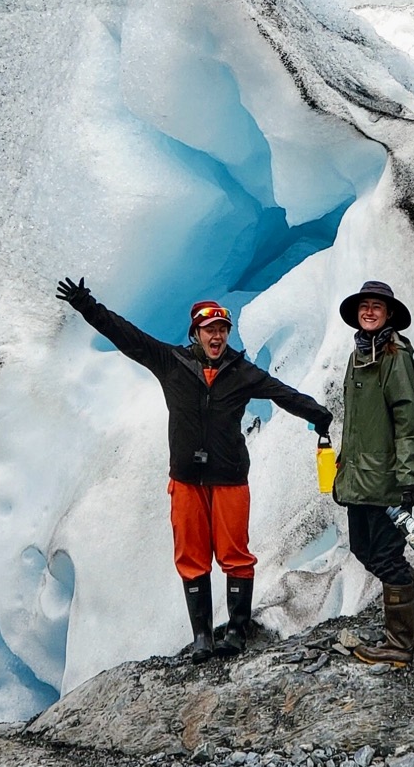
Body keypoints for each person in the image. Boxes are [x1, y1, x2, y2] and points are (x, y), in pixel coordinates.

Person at [57, 277, 332, 661]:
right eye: (209, 330)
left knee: (236, 554)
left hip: (229, 479)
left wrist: (320, 416)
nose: (216, 336)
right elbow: (127, 336)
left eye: (222, 329)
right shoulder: (172, 363)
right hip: (186, 481)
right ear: (196, 334)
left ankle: (236, 631)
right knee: (192, 555)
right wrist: (87, 305)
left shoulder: (242, 371)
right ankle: (202, 636)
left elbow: (283, 394)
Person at [332, 279, 414, 666]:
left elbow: (408, 421)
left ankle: (400, 642)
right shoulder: (358, 355)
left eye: (376, 307)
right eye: (364, 305)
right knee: (364, 550)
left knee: (387, 555)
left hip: (386, 478)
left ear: (389, 315)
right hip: (358, 475)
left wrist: (407, 477)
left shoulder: (395, 356)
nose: (368, 311)